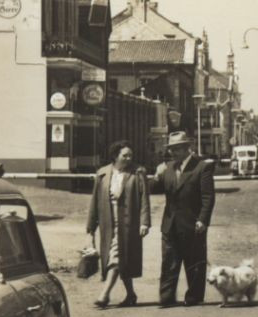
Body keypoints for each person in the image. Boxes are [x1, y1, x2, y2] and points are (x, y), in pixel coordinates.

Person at [155, 131, 216, 307]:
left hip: (193, 223)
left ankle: (194, 297)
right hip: (170, 223)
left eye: (176, 149)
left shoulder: (201, 167)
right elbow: (154, 188)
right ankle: (166, 298)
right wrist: (156, 175)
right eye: (171, 149)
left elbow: (208, 197)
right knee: (169, 262)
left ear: (187, 148)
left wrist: (203, 220)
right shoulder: (168, 168)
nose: (172, 153)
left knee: (194, 261)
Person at [88, 143, 150, 307]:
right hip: (108, 222)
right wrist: (91, 227)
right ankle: (131, 295)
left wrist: (144, 222)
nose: (129, 159)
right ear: (115, 156)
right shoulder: (102, 174)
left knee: (116, 257)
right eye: (125, 155)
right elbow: (94, 202)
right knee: (122, 259)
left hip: (129, 223)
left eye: (130, 155)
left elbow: (144, 199)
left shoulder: (138, 172)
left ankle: (104, 295)